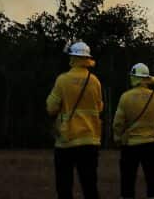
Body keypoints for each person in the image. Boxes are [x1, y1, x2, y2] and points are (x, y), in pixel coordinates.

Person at [46, 40, 104, 199]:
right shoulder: (95, 81)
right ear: (87, 58)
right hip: (89, 140)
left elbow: (51, 108)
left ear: (72, 58)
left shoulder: (62, 80)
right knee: (90, 187)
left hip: (66, 141)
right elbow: (99, 108)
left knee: (64, 187)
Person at [113, 62, 154, 199]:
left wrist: (118, 138)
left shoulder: (125, 97)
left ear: (134, 78)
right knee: (153, 183)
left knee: (127, 184)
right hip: (151, 145)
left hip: (130, 146)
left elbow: (118, 122)